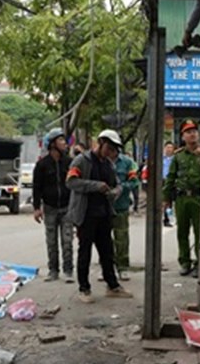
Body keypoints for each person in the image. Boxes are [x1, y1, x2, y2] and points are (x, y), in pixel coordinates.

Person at [66, 129, 133, 303]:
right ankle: (84, 289)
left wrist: (116, 192)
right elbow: (71, 182)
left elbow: (117, 184)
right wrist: (95, 186)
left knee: (107, 252)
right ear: (100, 143)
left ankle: (112, 285)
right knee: (85, 252)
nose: (111, 153)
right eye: (109, 148)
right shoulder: (81, 161)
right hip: (86, 214)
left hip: (104, 214)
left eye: (114, 150)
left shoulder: (109, 164)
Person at [163, 120, 200, 276]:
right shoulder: (178, 156)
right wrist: (166, 198)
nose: (192, 134)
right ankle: (185, 262)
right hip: (181, 198)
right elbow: (171, 177)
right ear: (183, 136)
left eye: (194, 131)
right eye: (188, 132)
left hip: (199, 197)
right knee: (182, 232)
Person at [33, 128, 75, 283]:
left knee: (67, 240)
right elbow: (36, 187)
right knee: (51, 241)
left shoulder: (69, 163)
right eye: (61, 140)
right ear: (52, 144)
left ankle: (68, 270)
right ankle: (53, 270)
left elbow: (75, 185)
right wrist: (37, 208)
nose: (64, 143)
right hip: (50, 208)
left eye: (64, 140)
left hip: (67, 207)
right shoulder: (42, 165)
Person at [112, 151, 140, 281]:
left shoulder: (127, 162)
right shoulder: (99, 161)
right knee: (104, 240)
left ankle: (123, 267)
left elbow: (134, 182)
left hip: (121, 206)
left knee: (122, 238)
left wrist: (121, 187)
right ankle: (107, 266)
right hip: (102, 207)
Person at [162, 141, 176, 227]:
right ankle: (167, 218)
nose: (169, 149)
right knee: (167, 202)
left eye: (171, 148)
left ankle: (174, 217)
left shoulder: (175, 159)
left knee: (176, 202)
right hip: (163, 181)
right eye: (167, 147)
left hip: (174, 182)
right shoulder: (161, 159)